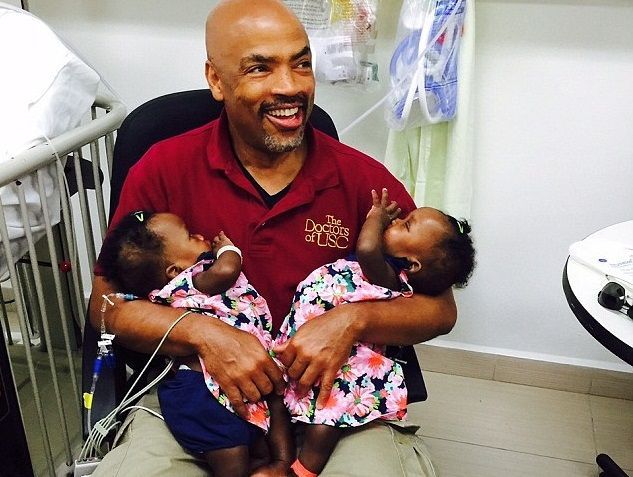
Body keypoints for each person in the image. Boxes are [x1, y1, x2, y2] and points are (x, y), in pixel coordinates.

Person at [90, 1, 457, 475]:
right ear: (217, 79)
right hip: (200, 392)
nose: (290, 86)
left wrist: (352, 321)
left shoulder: (364, 183)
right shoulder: (162, 169)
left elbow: (439, 310)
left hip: (335, 397)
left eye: (301, 64)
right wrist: (205, 335)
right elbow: (106, 305)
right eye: (260, 68)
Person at [278, 189, 475, 476]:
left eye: (406, 225)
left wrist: (376, 217)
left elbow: (367, 248)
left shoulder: (390, 274)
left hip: (344, 362)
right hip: (308, 343)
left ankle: (305, 468)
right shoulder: (390, 268)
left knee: (328, 417)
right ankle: (282, 459)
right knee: (307, 407)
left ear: (412, 264)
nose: (396, 221)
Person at [97, 211, 293, 476]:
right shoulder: (189, 281)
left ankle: (275, 464)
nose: (200, 235)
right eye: (190, 236)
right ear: (174, 270)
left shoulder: (176, 286)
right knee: (231, 448)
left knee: (260, 429)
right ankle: (277, 461)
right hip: (203, 388)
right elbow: (227, 270)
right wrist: (227, 249)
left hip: (238, 379)